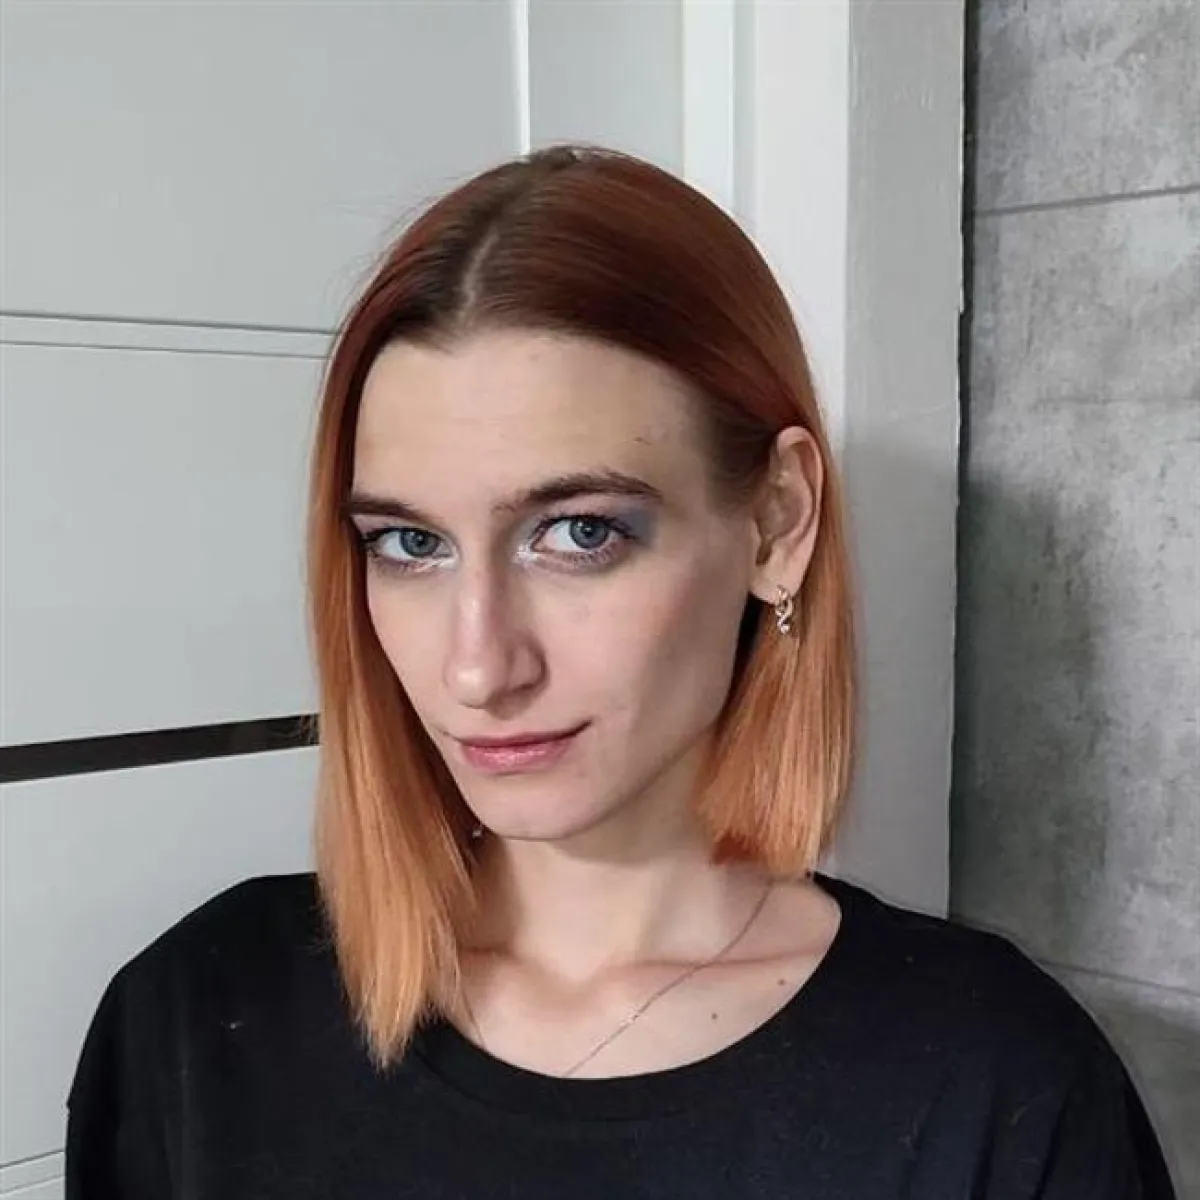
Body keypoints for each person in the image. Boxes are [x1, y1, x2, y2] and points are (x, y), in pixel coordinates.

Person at [64, 145, 1176, 1199]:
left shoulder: (997, 1086)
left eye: (580, 533)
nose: (479, 666)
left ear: (776, 523)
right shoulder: (194, 1024)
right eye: (409, 543)